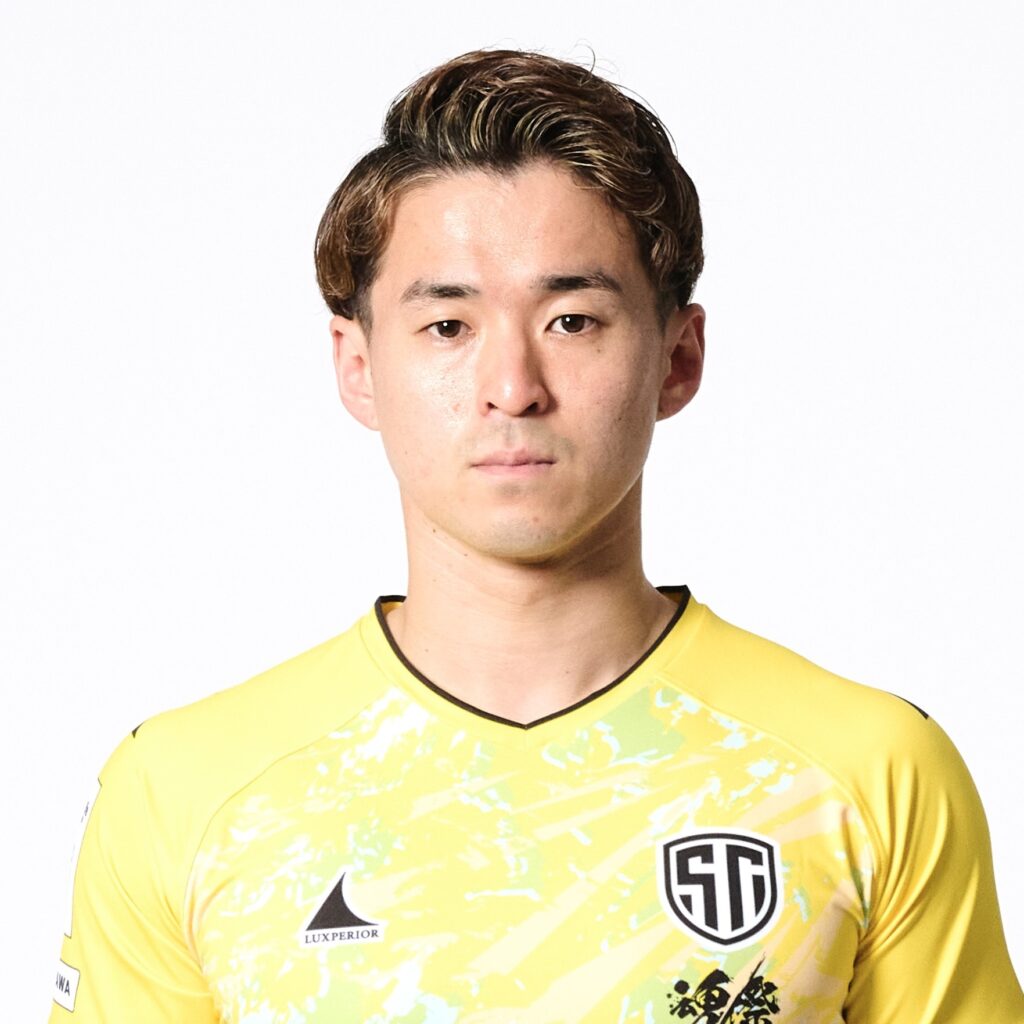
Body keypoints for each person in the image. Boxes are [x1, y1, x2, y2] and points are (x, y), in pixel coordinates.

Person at [52, 48, 1022, 1023]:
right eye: (448, 326)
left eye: (572, 321)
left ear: (677, 358)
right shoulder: (184, 792)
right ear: (357, 366)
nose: (512, 387)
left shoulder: (868, 772)